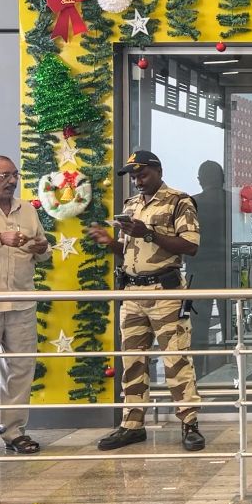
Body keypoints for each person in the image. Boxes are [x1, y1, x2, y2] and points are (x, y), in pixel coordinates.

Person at [86, 151, 205, 452]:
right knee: (132, 361)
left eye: (143, 174)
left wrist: (148, 233)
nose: (138, 181)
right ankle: (132, 425)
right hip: (132, 293)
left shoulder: (179, 201)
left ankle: (189, 423)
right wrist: (110, 242)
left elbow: (190, 246)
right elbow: (129, 250)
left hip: (164, 293)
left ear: (158, 170)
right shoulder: (131, 205)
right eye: (134, 176)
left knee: (176, 359)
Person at [0, 155, 49, 454]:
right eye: (4, 175)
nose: (12, 180)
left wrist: (41, 248)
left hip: (22, 302)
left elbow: (42, 249)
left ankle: (14, 433)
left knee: (20, 370)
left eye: (15, 175)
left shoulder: (27, 210)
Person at [187, 160, 228, 371]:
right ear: (222, 178)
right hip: (227, 271)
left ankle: (197, 370)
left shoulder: (191, 203)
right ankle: (233, 364)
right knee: (230, 322)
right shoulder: (233, 201)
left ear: (200, 180)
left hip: (198, 272)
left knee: (197, 326)